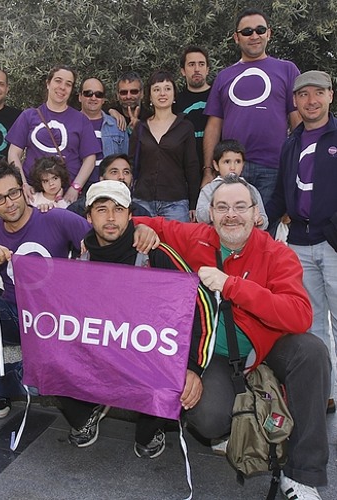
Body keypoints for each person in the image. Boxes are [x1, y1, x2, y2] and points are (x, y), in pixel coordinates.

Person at [136, 175, 330, 499]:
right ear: (209, 214)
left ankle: (301, 475)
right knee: (208, 417)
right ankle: (230, 418)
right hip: (217, 354)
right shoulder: (195, 237)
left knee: (312, 352)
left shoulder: (277, 253)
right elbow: (131, 221)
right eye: (222, 207)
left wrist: (231, 286)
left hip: (268, 345)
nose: (231, 214)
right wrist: (140, 231)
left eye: (241, 206)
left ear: (257, 213)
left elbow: (301, 315)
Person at [0, 159, 158, 448]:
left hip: (58, 324)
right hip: (13, 315)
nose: (8, 203)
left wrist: (143, 229)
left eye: (13, 193)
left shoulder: (56, 218)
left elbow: (107, 230)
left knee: (31, 382)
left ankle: (4, 381)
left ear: (24, 190)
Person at [59, 180, 215, 458]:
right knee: (52, 354)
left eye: (118, 209)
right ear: (88, 216)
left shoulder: (155, 253)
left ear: (131, 215)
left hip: (148, 355)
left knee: (163, 367)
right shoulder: (79, 256)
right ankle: (87, 413)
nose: (110, 218)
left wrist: (193, 366)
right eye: (101, 209)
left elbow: (202, 305)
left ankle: (151, 428)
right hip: (103, 347)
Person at [267, 70, 337, 415]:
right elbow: (281, 192)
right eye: (304, 95)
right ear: (295, 101)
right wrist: (261, 227)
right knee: (312, 323)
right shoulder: (291, 143)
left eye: (318, 93)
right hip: (299, 242)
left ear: (330, 96)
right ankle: (325, 391)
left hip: (333, 242)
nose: (311, 101)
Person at [202, 8, 300, 202]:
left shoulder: (288, 70)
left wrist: (297, 170)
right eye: (247, 32)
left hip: (275, 167)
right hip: (232, 167)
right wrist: (207, 170)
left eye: (260, 30)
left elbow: (297, 122)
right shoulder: (224, 76)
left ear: (269, 33)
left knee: (267, 228)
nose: (254, 35)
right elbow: (213, 127)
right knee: (232, 227)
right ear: (236, 38)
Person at [7, 65, 100, 203]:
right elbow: (14, 153)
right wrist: (23, 184)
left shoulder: (80, 120)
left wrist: (75, 188)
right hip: (33, 194)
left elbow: (90, 158)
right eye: (58, 81)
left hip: (66, 195)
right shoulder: (28, 115)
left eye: (68, 84)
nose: (62, 87)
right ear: (48, 83)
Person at [129, 70, 201, 221]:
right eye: (156, 89)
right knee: (140, 244)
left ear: (174, 95)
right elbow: (130, 164)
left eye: (167, 88)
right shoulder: (140, 128)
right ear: (149, 96)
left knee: (176, 245)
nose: (162, 93)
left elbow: (192, 166)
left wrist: (194, 203)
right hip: (142, 202)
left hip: (176, 203)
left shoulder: (185, 126)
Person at [196, 140, 268, 229]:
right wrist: (217, 204)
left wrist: (260, 221)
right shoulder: (209, 189)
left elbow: (264, 220)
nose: (232, 167)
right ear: (216, 165)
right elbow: (199, 217)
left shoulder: (250, 189)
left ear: (243, 165)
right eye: (227, 162)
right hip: (216, 238)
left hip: (244, 239)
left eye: (238, 162)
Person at [67, 153, 150, 217]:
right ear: (101, 179)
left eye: (126, 172)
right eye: (114, 172)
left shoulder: (140, 213)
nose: (121, 177)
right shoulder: (78, 210)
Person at [78, 76, 128, 176]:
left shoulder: (117, 125)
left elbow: (126, 161)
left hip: (109, 188)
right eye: (88, 93)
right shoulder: (70, 124)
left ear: (103, 99)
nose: (93, 98)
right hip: (76, 188)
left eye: (98, 94)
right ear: (80, 97)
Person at [174, 45, 211, 169]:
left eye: (201, 64)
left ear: (207, 69)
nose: (197, 69)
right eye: (191, 64)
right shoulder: (174, 102)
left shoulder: (219, 97)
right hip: (185, 169)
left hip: (216, 168)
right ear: (183, 71)